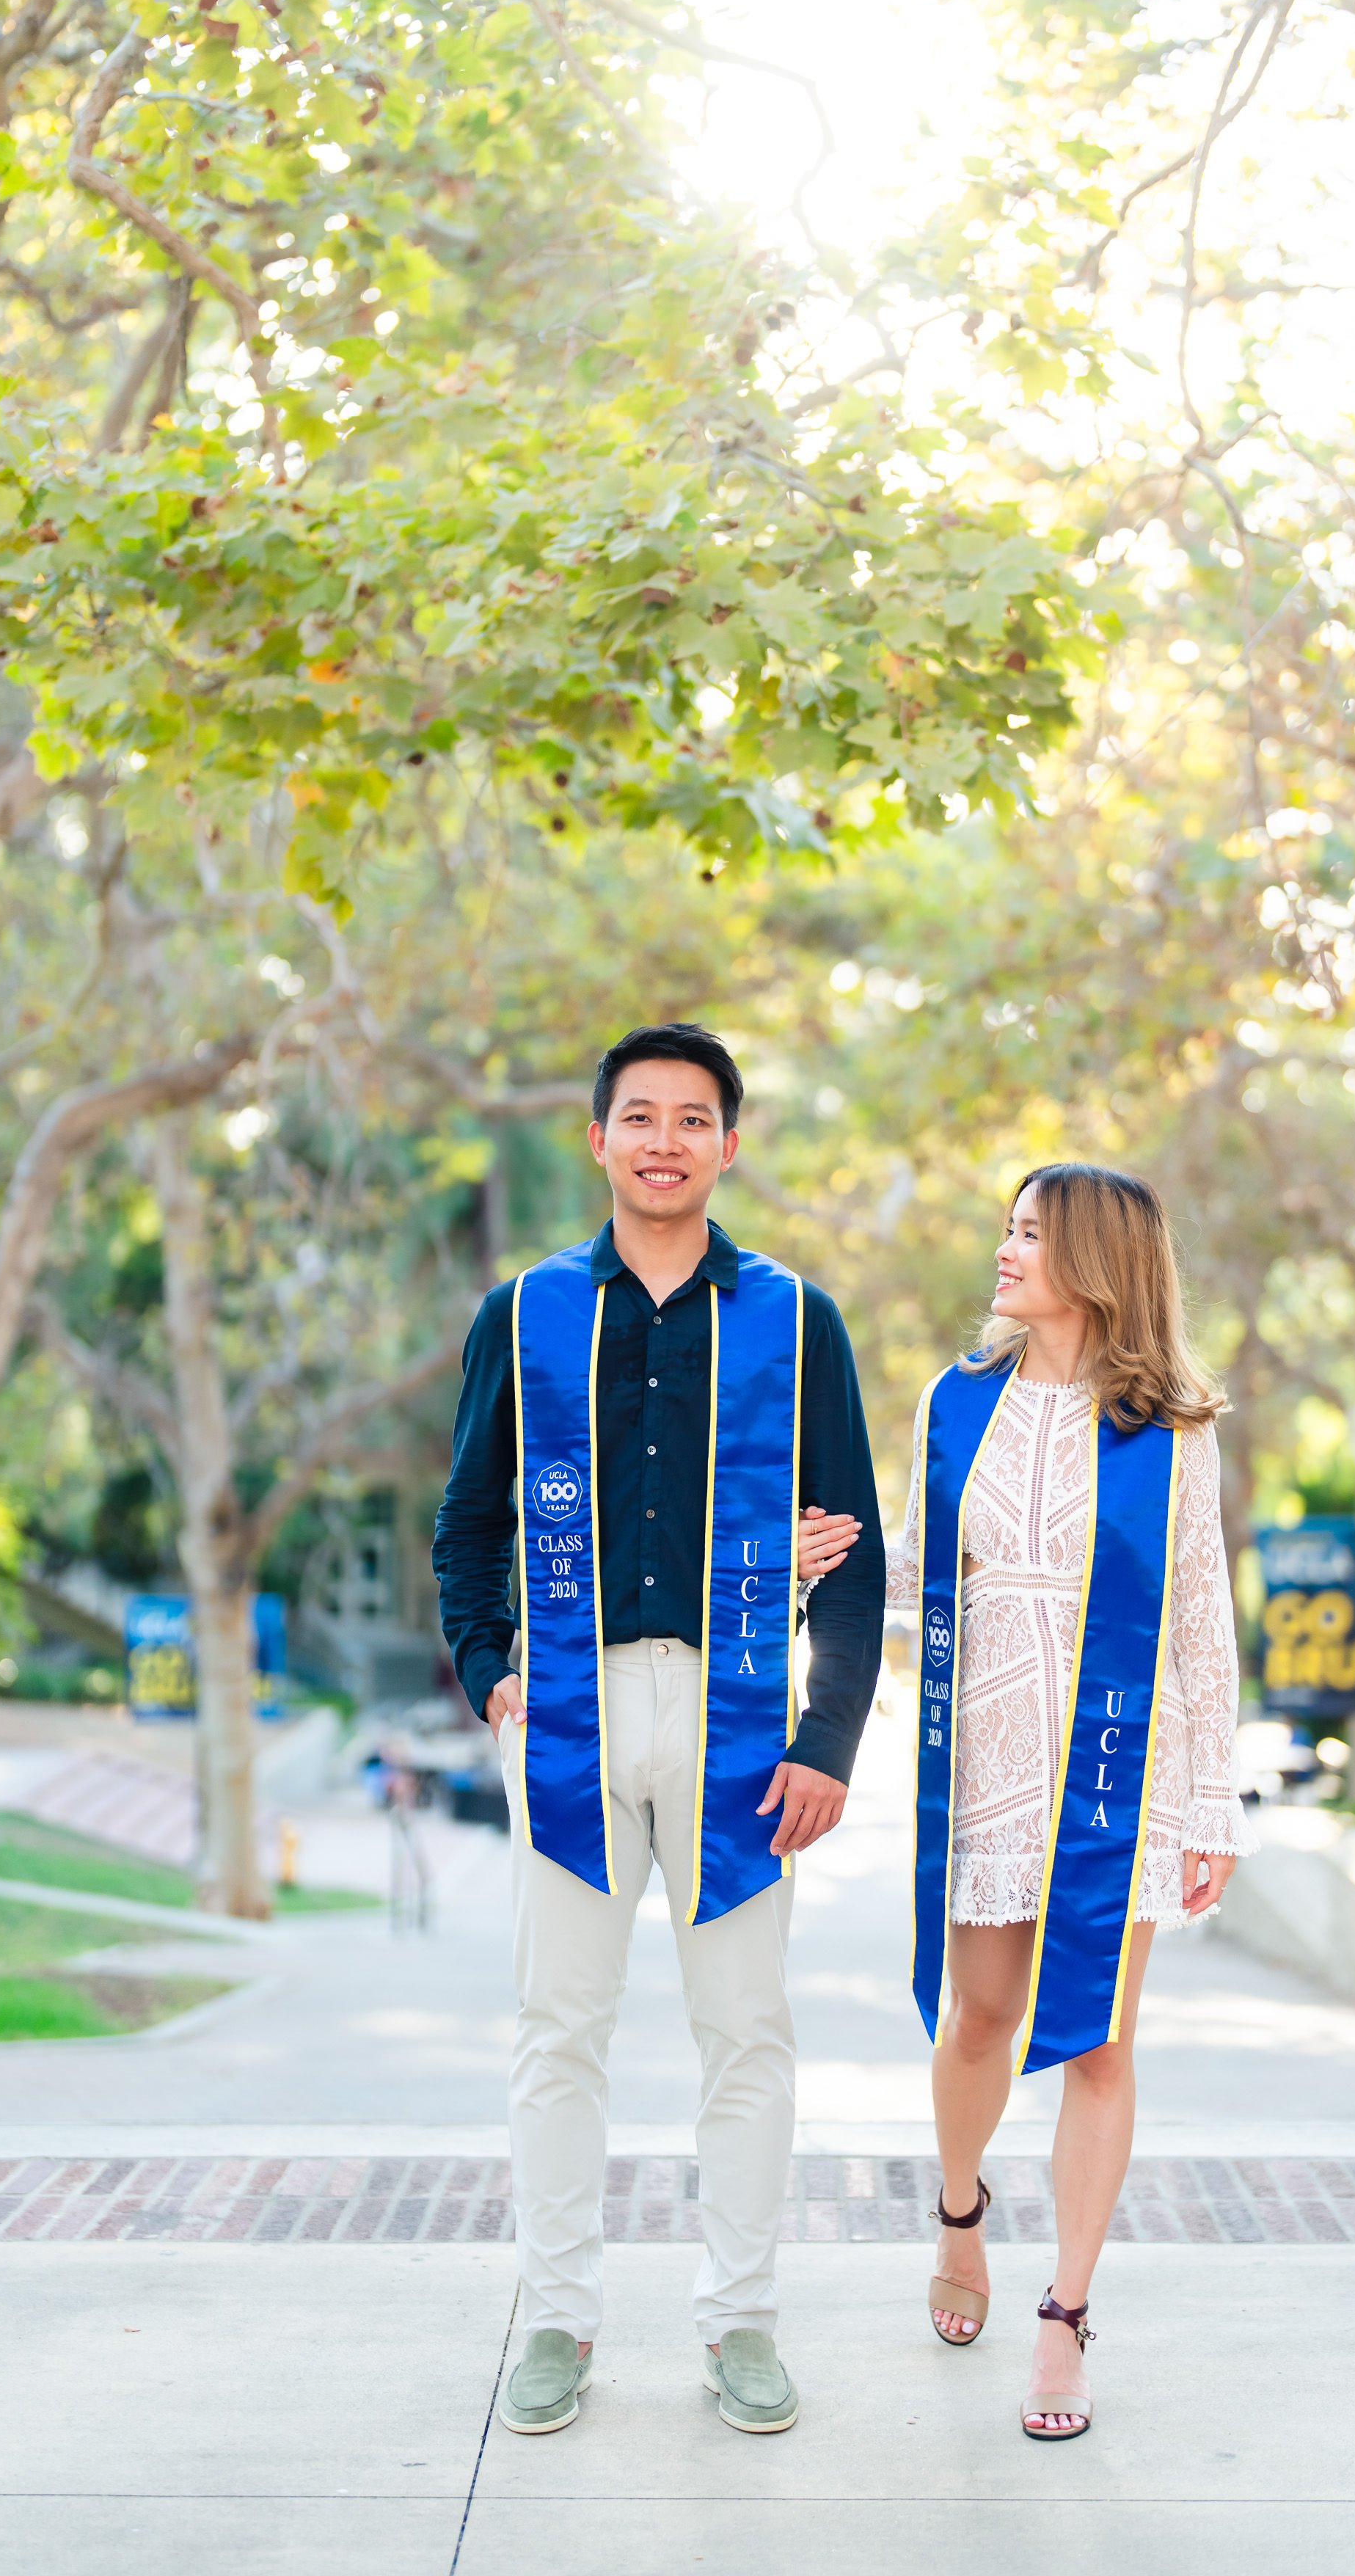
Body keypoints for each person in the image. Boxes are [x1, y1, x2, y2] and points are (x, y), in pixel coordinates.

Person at [433, 1024, 884, 2440]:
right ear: (600, 1141)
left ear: (729, 1146)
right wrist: (490, 1669)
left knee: (747, 2032)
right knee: (556, 2032)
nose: (667, 1139)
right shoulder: (526, 1315)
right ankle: (559, 2319)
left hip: (736, 1715)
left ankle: (740, 2319)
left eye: (696, 1118)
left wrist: (829, 1739)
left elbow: (855, 1546)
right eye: (641, 1115)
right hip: (565, 1711)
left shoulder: (797, 1323)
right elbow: (465, 1523)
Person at [800, 1163, 1254, 2441]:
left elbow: (1202, 1625)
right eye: (1005, 1227)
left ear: (1099, 1260)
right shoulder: (958, 1403)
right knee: (980, 2018)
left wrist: (1212, 1804)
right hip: (988, 1755)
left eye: (1031, 1235)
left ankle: (1065, 2319)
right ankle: (959, 2210)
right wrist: (812, 1576)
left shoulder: (1171, 1430)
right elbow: (909, 1583)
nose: (1004, 1251)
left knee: (1101, 2041)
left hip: (1121, 1766)